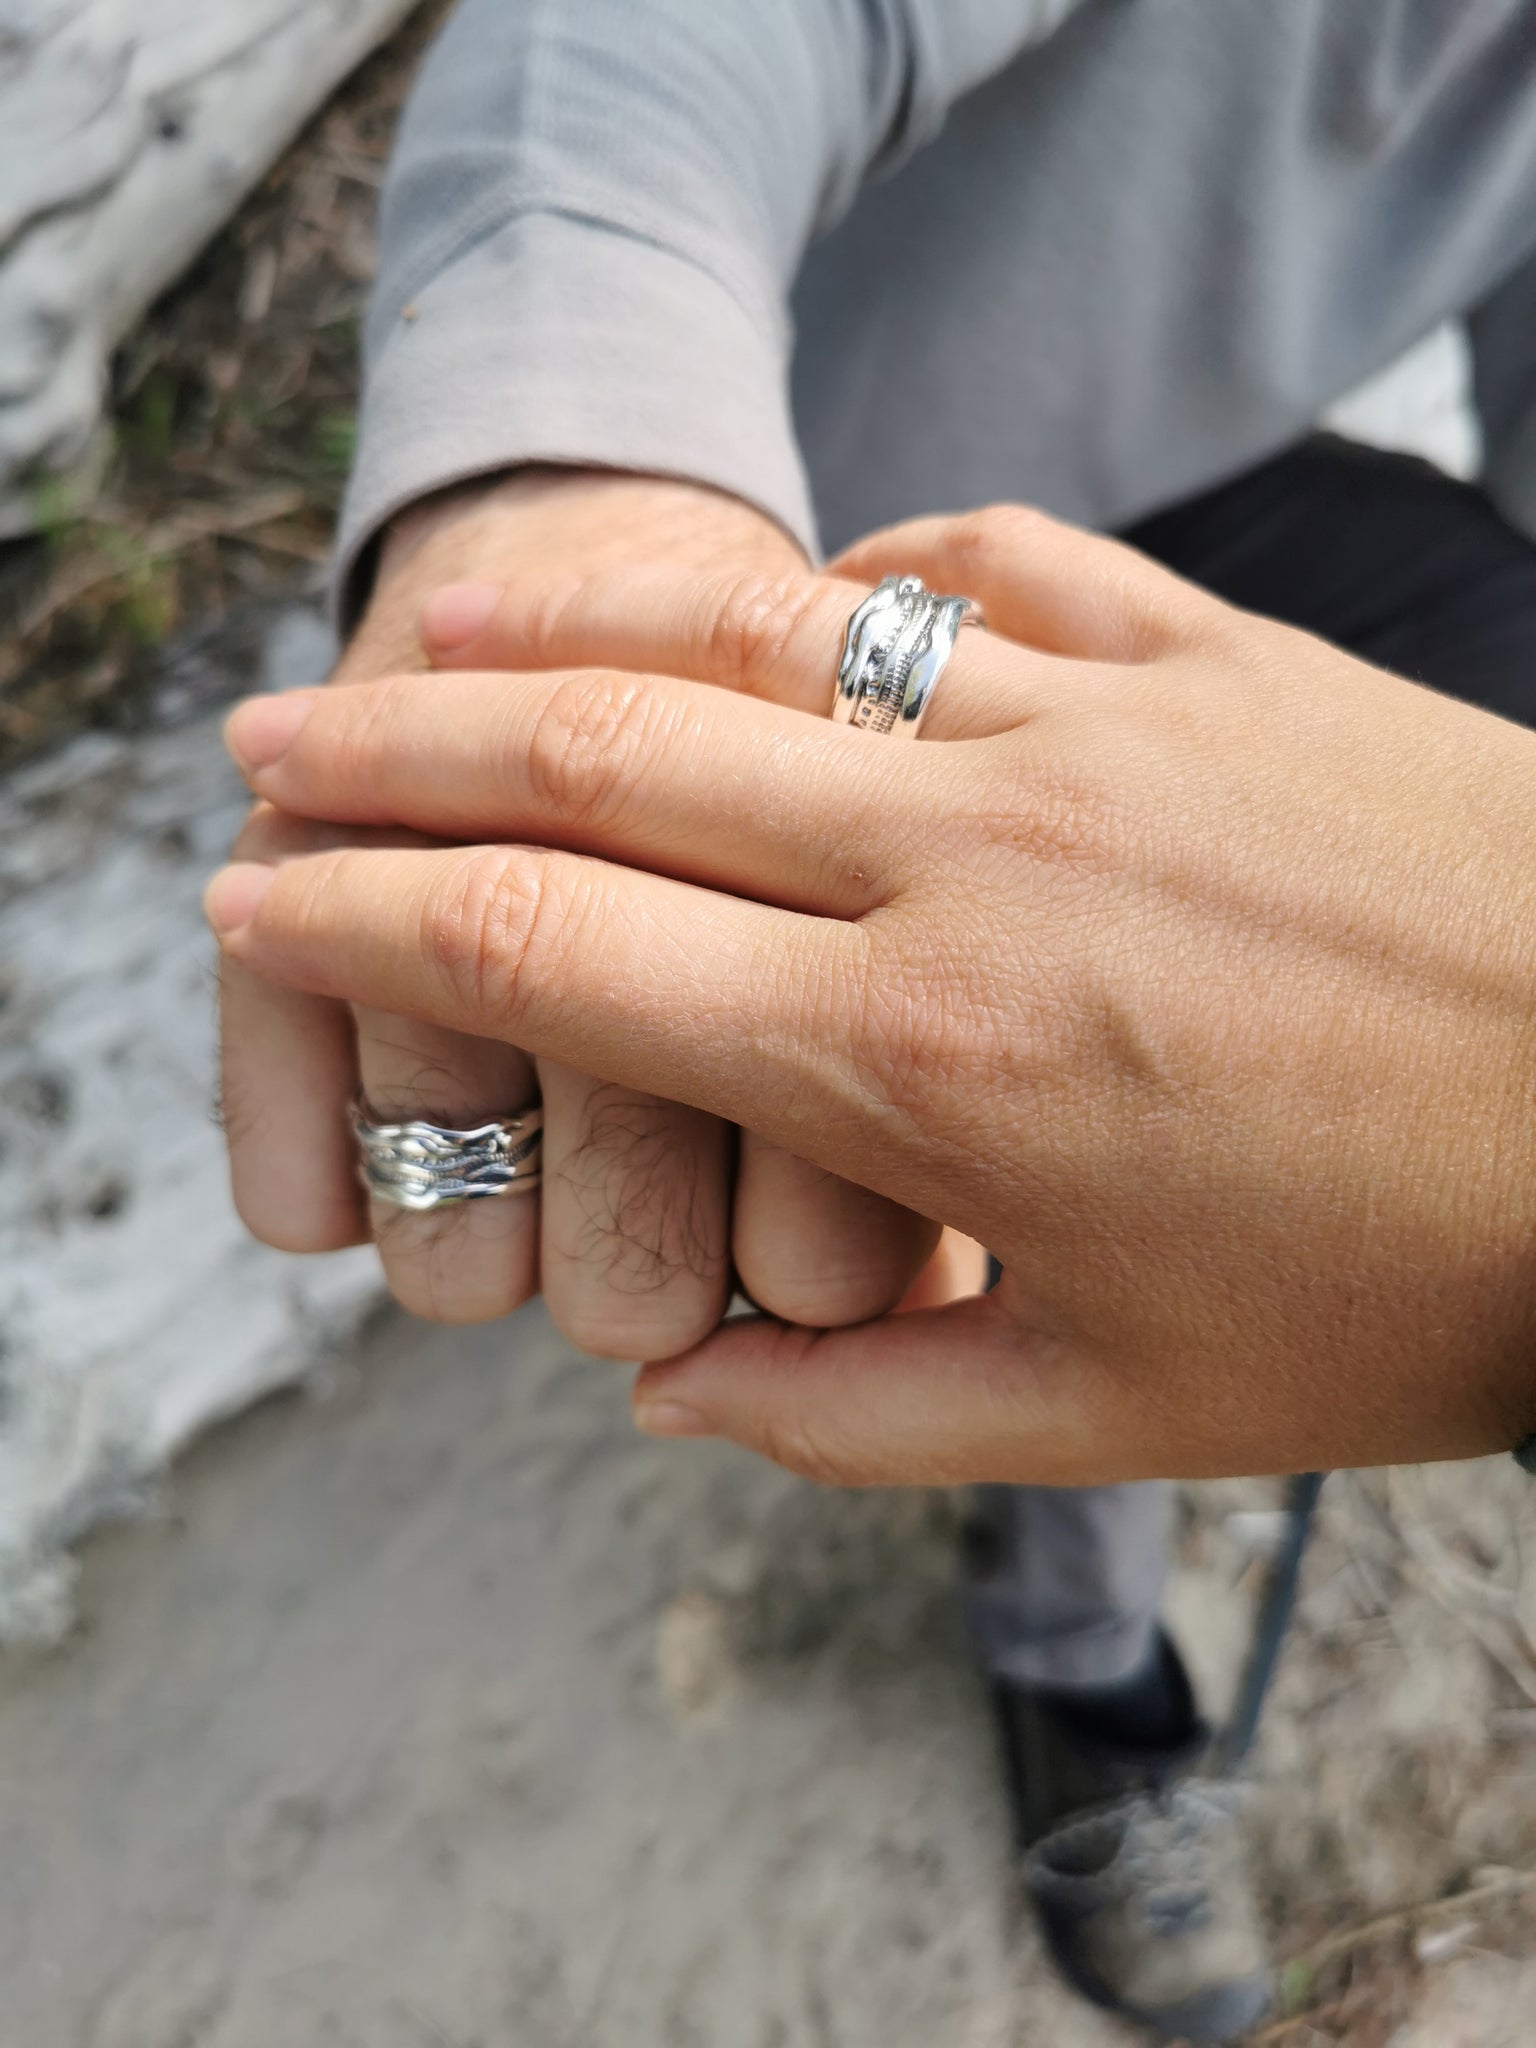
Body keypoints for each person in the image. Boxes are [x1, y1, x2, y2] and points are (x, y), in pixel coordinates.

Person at [212, 5, 1536, 2040]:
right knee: (1044, 1086)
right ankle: (1089, 1660)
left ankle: (1083, 1628)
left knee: (1201, 1073)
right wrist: (568, 456)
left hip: (1214, 511)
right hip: (781, 467)